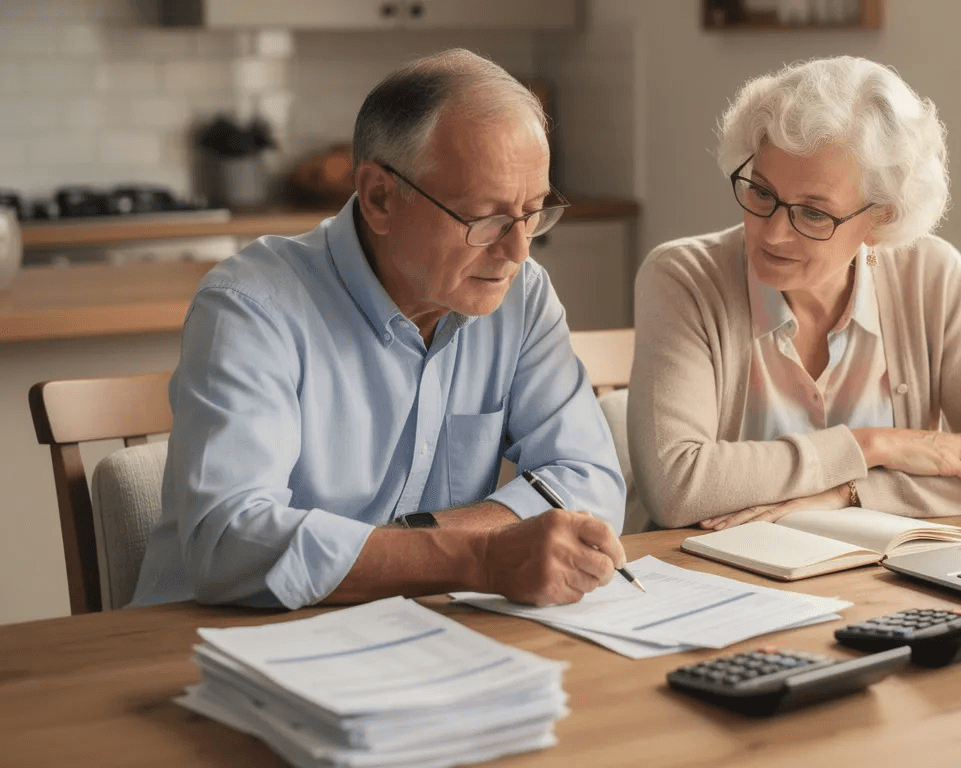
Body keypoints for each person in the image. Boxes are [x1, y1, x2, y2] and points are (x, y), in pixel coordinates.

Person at [131, 49, 627, 610]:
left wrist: (417, 539)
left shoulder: (523, 295)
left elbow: (590, 479)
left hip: (407, 634)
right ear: (380, 198)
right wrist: (478, 557)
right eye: (485, 218)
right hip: (203, 646)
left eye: (534, 211)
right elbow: (228, 539)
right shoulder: (251, 308)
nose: (517, 250)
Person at [629, 56, 961, 530]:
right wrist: (873, 446)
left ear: (881, 219)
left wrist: (849, 494)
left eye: (813, 214)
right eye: (762, 193)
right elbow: (675, 486)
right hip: (711, 580)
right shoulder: (683, 278)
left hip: (871, 586)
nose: (771, 234)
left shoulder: (930, 277)